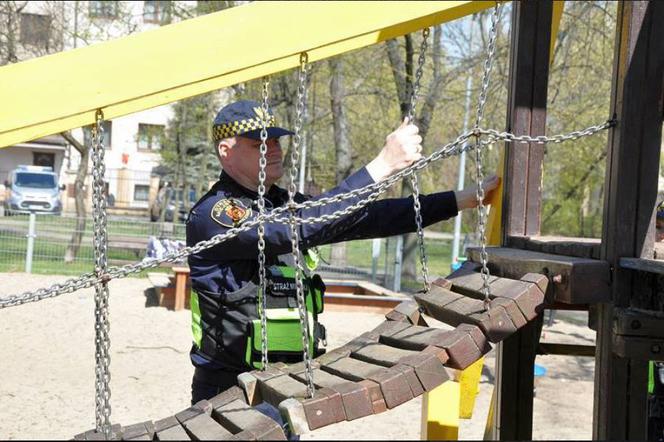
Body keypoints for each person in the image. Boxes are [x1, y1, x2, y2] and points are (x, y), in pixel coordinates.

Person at [185, 99, 499, 430]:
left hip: (281, 385)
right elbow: (303, 225)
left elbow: (366, 217)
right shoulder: (217, 214)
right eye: (258, 143)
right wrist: (382, 165)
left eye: (276, 140)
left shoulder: (280, 204)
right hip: (229, 392)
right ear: (226, 151)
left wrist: (460, 200)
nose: (273, 149)